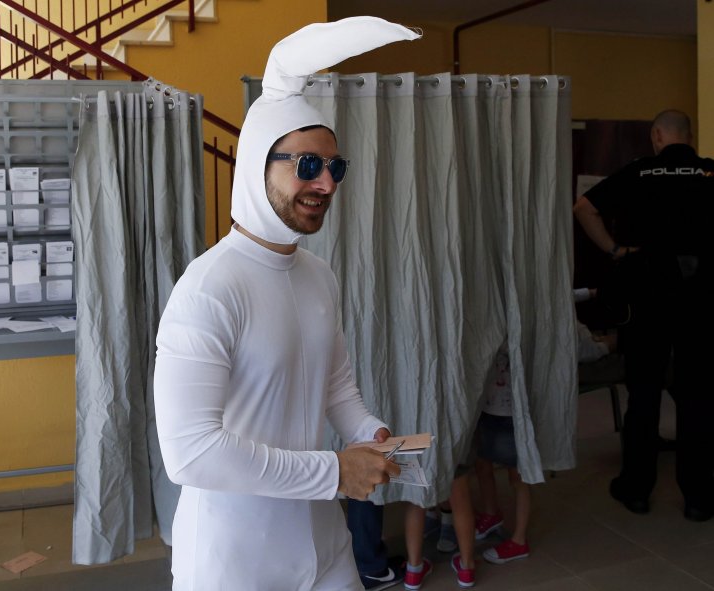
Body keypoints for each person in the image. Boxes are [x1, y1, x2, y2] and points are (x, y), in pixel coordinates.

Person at [153, 17, 420, 591]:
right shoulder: (208, 288)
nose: (325, 183)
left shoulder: (317, 275)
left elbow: (337, 390)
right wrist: (333, 470)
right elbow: (191, 455)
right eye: (306, 165)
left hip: (323, 544)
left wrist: (370, 433)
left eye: (334, 167)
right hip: (232, 561)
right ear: (257, 168)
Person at [573, 109, 714, 522]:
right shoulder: (709, 173)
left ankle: (636, 489)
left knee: (645, 392)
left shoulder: (639, 173)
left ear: (656, 136)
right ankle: (699, 497)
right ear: (691, 136)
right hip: (702, 301)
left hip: (649, 299)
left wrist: (615, 251)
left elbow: (583, 207)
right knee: (699, 397)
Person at [474, 345, 532, 565]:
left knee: (518, 475)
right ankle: (491, 514)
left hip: (512, 412)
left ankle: (519, 540)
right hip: (485, 406)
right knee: (481, 462)